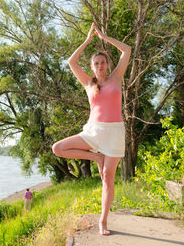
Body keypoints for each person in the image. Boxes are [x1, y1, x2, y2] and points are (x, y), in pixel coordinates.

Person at [52, 23, 131, 236]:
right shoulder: (87, 83)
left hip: (114, 134)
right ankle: (94, 158)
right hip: (93, 132)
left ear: (107, 64)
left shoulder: (116, 77)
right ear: (92, 66)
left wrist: (104, 37)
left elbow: (127, 50)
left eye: (103, 62)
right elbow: (71, 61)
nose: (100, 65)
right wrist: (87, 40)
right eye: (96, 63)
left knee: (107, 178)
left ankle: (103, 221)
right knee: (57, 148)